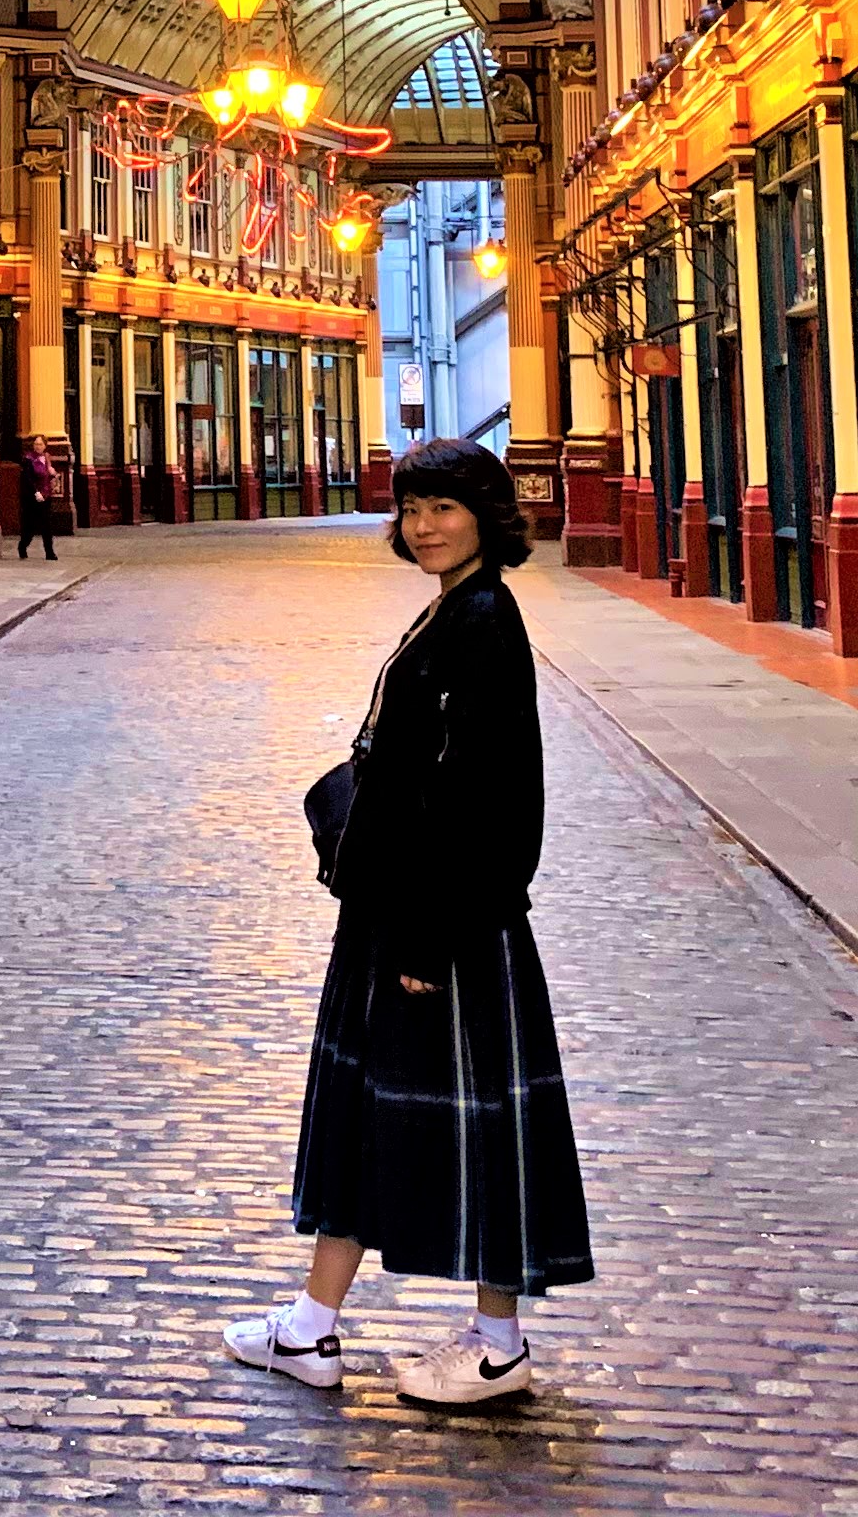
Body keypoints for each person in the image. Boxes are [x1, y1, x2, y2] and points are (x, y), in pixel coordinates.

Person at [225, 436, 592, 1410]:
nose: (423, 526)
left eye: (443, 508)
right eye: (412, 509)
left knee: (481, 1129)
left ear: (486, 516)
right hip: (401, 912)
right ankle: (311, 1327)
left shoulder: (484, 620)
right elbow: (405, 769)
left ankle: (499, 1342)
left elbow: (481, 799)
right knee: (366, 1115)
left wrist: (430, 937)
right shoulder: (452, 608)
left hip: (448, 926)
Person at [11, 444, 65, 560]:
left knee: (47, 525)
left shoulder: (46, 457)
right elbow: (27, 478)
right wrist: (35, 492)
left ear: (45, 446)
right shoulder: (28, 459)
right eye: (36, 444)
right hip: (32, 497)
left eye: (40, 444)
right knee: (30, 526)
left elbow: (49, 474)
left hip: (45, 495)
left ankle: (49, 553)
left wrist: (54, 475)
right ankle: (23, 546)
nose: (37, 446)